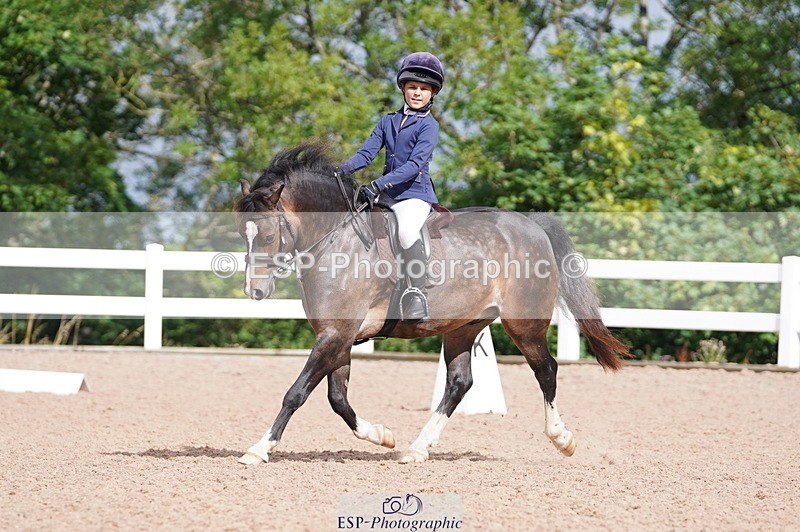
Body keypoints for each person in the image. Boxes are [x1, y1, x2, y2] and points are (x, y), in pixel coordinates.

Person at [338, 52, 444, 322]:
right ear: (403, 89)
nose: (417, 93)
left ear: (432, 94)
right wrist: (339, 169)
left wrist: (377, 183)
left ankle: (416, 293)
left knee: (408, 232)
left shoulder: (429, 127)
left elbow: (414, 165)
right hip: (386, 195)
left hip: (414, 195)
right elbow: (366, 155)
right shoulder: (388, 121)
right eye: (412, 88)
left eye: (423, 89)